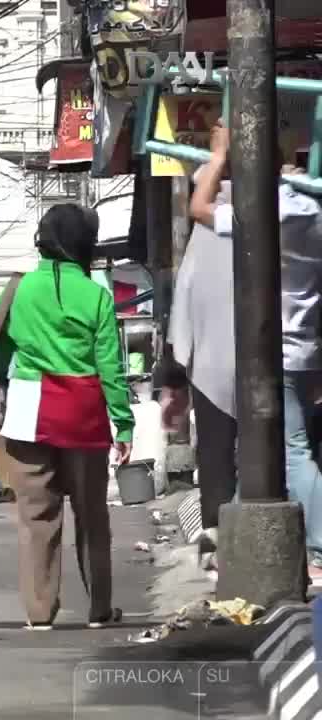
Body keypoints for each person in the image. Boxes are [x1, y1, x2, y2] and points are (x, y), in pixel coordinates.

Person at [185, 121, 322, 584]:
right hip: (303, 349)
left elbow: (198, 208)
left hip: (273, 350)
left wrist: (219, 156)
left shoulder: (265, 211)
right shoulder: (311, 209)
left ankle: (319, 549)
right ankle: (236, 544)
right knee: (261, 452)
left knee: (292, 451)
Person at [0, 204, 131, 631]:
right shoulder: (96, 296)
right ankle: (99, 609)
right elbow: (110, 367)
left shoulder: (19, 289)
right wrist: (123, 423)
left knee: (37, 516)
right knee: (92, 515)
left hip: (29, 411)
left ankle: (39, 612)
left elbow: (0, 354)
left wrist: (4, 381)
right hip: (82, 412)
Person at [156, 162, 237, 572]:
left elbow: (182, 309)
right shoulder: (279, 213)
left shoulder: (214, 228)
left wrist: (173, 381)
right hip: (284, 363)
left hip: (210, 367)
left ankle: (219, 541)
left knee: (218, 454)